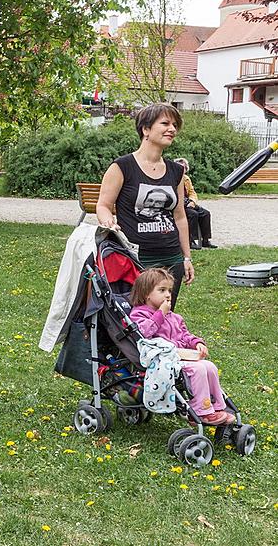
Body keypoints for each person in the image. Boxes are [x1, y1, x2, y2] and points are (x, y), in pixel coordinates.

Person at [97, 103, 195, 309]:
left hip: (171, 258)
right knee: (135, 319)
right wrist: (109, 223)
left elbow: (179, 216)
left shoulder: (176, 171)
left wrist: (186, 257)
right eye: (165, 123)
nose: (172, 129)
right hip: (136, 259)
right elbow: (104, 205)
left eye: (175, 125)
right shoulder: (122, 166)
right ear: (146, 129)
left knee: (164, 316)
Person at [128, 268, 235, 426]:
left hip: (181, 357)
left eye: (169, 290)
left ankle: (216, 407)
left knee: (210, 367)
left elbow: (185, 335)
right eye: (162, 290)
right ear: (146, 294)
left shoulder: (174, 317)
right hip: (162, 360)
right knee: (198, 370)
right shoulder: (139, 314)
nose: (168, 295)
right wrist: (160, 314)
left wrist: (197, 343)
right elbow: (144, 333)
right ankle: (200, 411)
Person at [174, 157, 217, 250]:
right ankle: (190, 240)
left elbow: (192, 192)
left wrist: (193, 201)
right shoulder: (173, 179)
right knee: (193, 214)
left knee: (205, 213)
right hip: (179, 205)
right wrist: (185, 203)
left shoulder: (186, 179)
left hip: (188, 202)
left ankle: (205, 240)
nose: (182, 170)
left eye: (184, 168)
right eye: (180, 167)